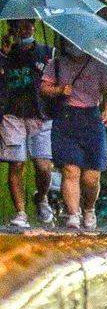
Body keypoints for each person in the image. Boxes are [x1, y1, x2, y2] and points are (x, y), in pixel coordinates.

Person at [39, 38, 107, 230]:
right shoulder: (56, 63)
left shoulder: (99, 64)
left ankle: (89, 209)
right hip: (65, 117)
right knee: (70, 170)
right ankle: (73, 214)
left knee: (91, 177)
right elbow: (44, 88)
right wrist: (59, 90)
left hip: (91, 118)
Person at [0, 19, 55, 228]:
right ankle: (21, 213)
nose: (25, 30)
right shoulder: (6, 53)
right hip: (12, 115)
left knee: (43, 166)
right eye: (20, 27)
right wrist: (3, 54)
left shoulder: (48, 53)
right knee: (17, 164)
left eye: (28, 25)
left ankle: (41, 197)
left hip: (40, 115)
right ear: (11, 29)